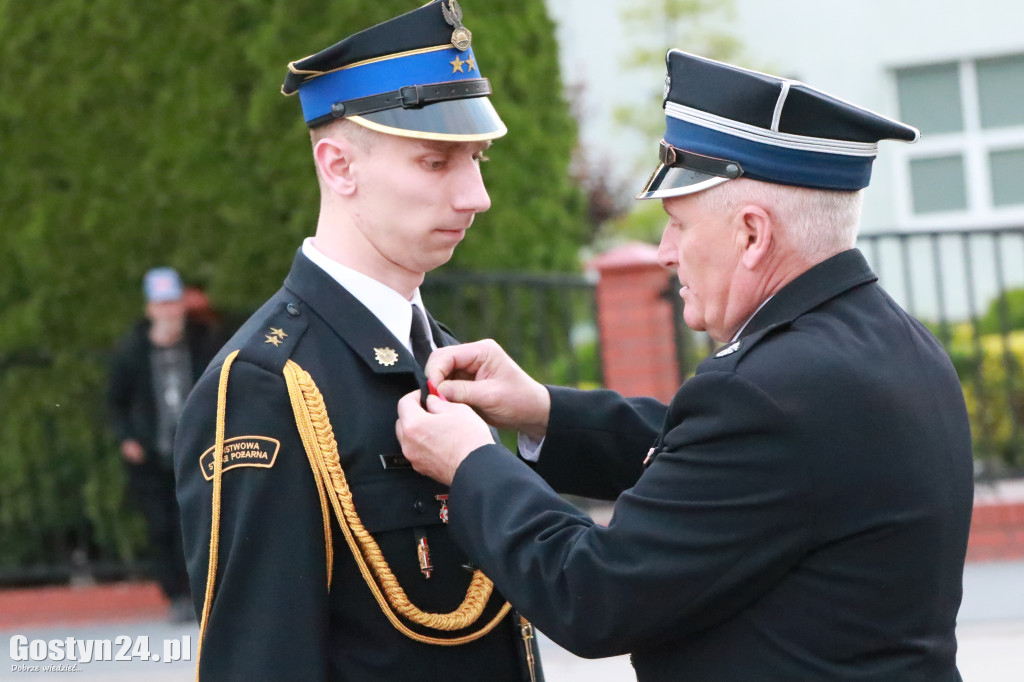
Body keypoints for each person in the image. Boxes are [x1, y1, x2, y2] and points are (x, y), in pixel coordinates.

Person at [396, 50, 975, 681]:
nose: (666, 252)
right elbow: (716, 464)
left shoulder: (773, 391)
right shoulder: (889, 343)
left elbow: (591, 595)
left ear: (752, 235)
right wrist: (543, 411)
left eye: (677, 224)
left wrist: (471, 463)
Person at [173, 3, 542, 680]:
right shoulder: (268, 384)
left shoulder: (446, 358)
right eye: (436, 162)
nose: (477, 196)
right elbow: (261, 657)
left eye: (478, 159)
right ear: (339, 167)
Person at [108, 266, 217, 623]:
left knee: (203, 522)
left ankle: (205, 592)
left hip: (199, 452)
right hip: (153, 455)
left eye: (174, 303)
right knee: (162, 525)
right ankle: (176, 595)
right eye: (162, 304)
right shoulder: (131, 351)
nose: (169, 311)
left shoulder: (204, 343)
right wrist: (127, 438)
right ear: (150, 309)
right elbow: (115, 400)